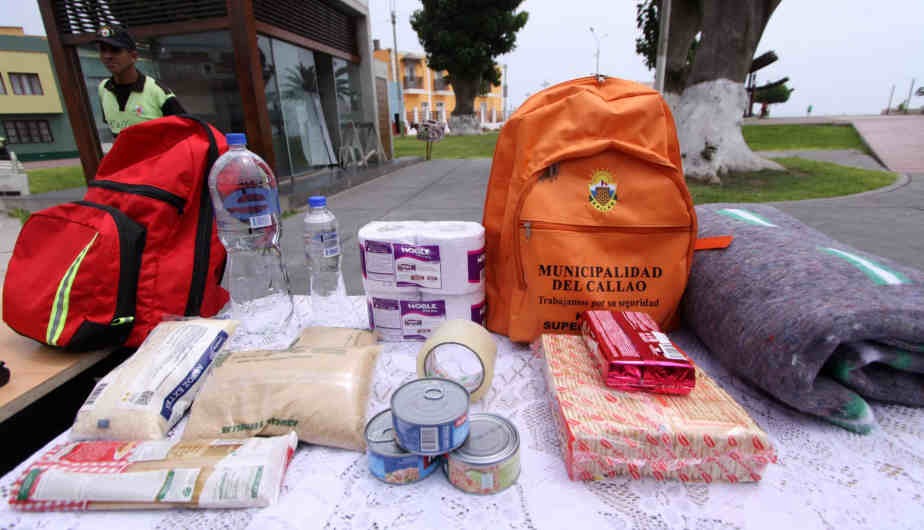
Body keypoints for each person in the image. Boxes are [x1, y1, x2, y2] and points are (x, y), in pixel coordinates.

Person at [94, 25, 186, 137]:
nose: (107, 56)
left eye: (115, 50)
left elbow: (185, 133)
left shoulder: (157, 91)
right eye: (103, 50)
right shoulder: (103, 89)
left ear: (133, 56)